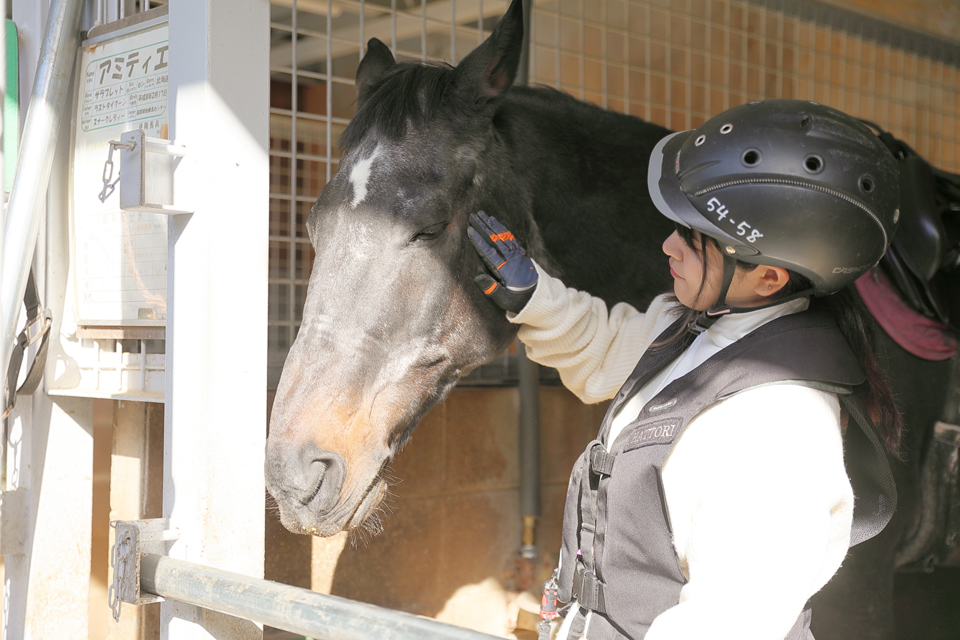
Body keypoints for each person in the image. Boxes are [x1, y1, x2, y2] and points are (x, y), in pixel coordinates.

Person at [467, 99, 901, 640]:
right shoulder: (704, 325)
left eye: (694, 239)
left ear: (767, 278)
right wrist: (533, 296)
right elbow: (611, 348)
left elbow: (724, 625)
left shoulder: (779, 426)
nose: (668, 244)